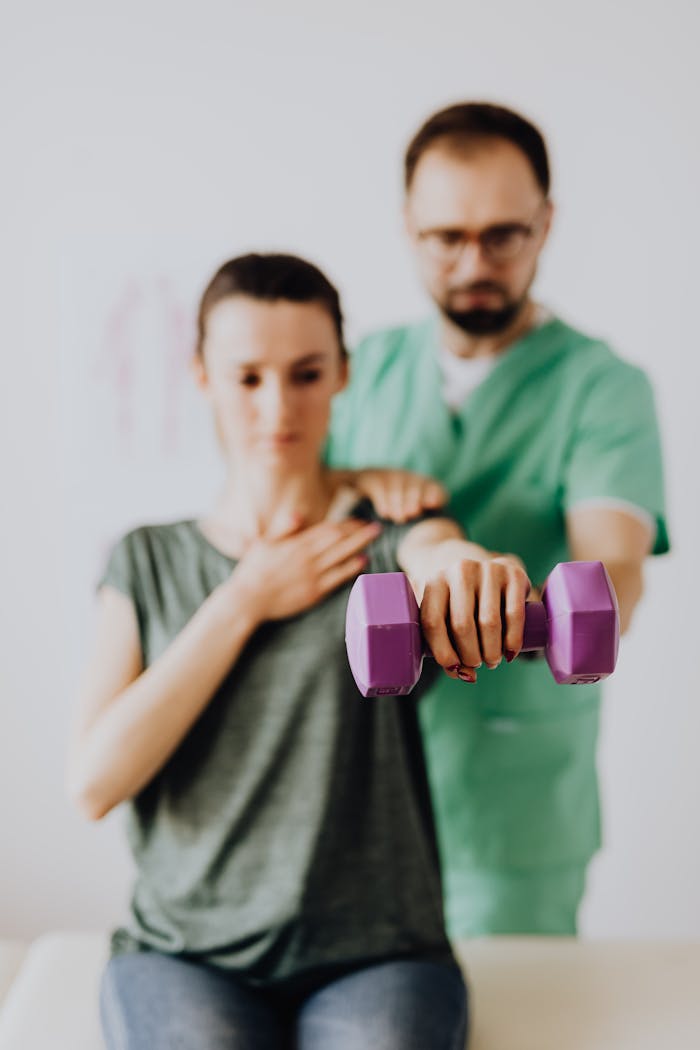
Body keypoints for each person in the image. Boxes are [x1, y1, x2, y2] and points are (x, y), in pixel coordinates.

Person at [66, 252, 532, 1049]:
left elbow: (438, 553)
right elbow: (94, 782)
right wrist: (245, 600)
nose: (277, 406)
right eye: (247, 377)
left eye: (306, 373)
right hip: (184, 955)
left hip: (379, 953)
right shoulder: (148, 559)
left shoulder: (389, 532)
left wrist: (466, 566)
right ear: (202, 375)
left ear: (342, 374)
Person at [326, 102, 669, 938]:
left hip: (513, 806)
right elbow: (287, 517)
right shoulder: (354, 371)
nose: (473, 261)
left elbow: (613, 578)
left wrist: (484, 598)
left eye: (503, 235)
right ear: (409, 228)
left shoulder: (602, 386)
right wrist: (355, 485)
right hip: (349, 792)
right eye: (446, 237)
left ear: (545, 224)